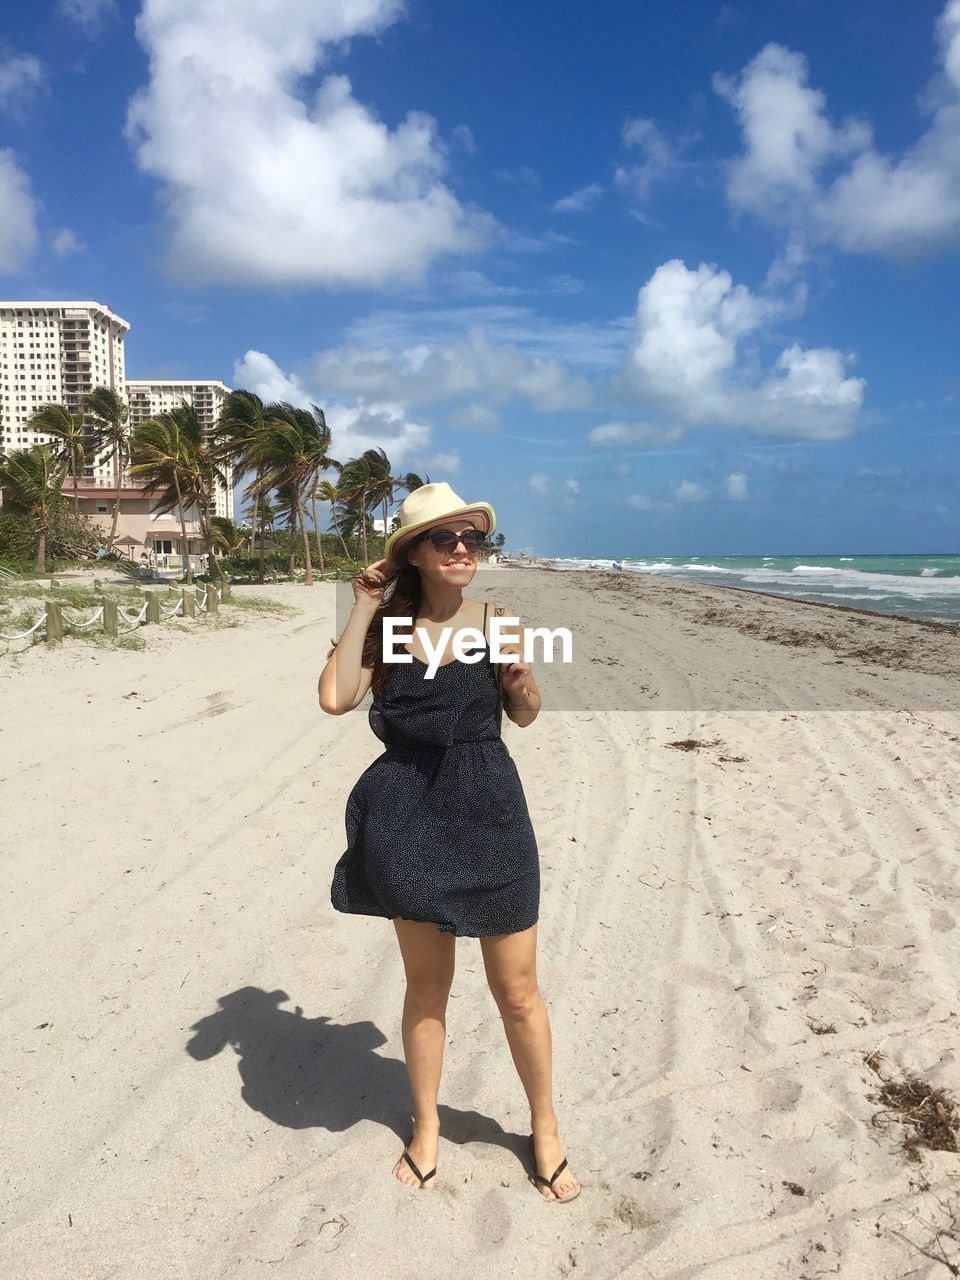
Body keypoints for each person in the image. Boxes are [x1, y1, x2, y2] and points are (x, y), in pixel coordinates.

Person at [318, 482, 581, 1203]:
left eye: (473, 538)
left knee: (518, 990)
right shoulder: (386, 628)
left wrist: (522, 681)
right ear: (415, 553)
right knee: (427, 988)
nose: (465, 548)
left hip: (489, 807)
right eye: (447, 538)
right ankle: (428, 1125)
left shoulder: (499, 620)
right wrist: (364, 605)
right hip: (407, 814)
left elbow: (524, 715)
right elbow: (336, 698)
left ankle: (546, 1126)